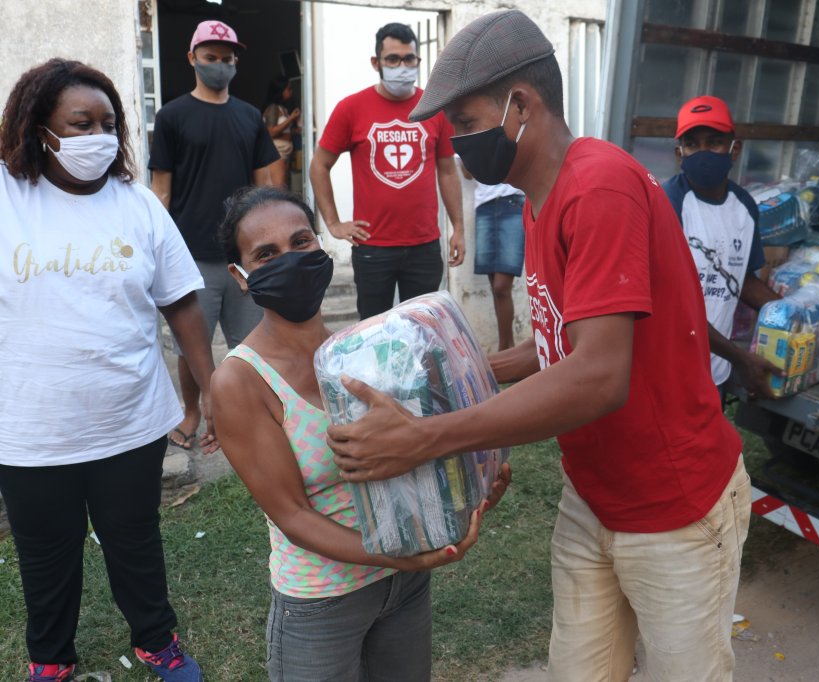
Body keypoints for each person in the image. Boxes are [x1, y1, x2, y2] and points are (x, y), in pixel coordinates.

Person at [325, 10, 750, 682]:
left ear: (520, 105)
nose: (458, 142)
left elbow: (597, 376)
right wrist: (451, 375)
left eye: (465, 123)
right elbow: (560, 339)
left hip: (674, 506)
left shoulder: (597, 187)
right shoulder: (539, 195)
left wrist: (430, 433)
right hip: (595, 494)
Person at [208, 186, 510, 681]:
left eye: (300, 242)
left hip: (403, 586)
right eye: (266, 255)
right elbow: (293, 516)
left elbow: (411, 463)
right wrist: (404, 553)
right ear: (241, 278)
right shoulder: (241, 381)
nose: (290, 259)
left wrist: (470, 490)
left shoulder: (359, 352)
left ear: (322, 249)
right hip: (322, 602)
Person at [0, 58, 212, 682]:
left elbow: (182, 301)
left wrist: (213, 386)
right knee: (46, 556)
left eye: (109, 123)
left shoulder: (138, 205)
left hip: (128, 418)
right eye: (80, 122)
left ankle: (155, 641)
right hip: (31, 427)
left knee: (135, 541)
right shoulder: (7, 195)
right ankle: (50, 659)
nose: (98, 135)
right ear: (40, 127)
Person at [149, 19, 280, 451]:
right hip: (190, 257)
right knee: (193, 347)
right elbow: (160, 191)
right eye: (211, 58)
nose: (220, 65)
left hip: (243, 257)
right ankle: (191, 413)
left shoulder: (248, 118)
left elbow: (263, 187)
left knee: (253, 344)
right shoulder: (171, 116)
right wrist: (155, 251)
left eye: (227, 59)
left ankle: (251, 414)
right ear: (192, 59)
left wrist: (269, 246)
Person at [309, 22, 465, 320]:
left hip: (424, 245)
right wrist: (333, 223)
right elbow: (319, 166)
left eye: (409, 59)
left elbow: (447, 170)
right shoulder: (351, 108)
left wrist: (458, 228)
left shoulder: (434, 108)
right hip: (373, 247)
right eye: (393, 59)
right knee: (373, 327)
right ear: (376, 62)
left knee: (423, 327)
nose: (402, 66)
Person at [662, 95, 782, 400]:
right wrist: (740, 358)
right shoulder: (667, 203)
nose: (703, 152)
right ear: (680, 153)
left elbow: (742, 280)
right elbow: (671, 302)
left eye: (714, 142)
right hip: (665, 369)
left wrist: (797, 316)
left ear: (734, 149)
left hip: (714, 369)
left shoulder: (744, 207)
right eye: (693, 144)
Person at [460, 162, 526, 351]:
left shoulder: (510, 131)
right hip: (485, 206)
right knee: (495, 287)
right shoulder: (473, 133)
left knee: (501, 286)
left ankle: (506, 349)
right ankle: (506, 346)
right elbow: (467, 173)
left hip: (513, 202)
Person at [262, 75, 301, 189]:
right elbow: (271, 132)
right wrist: (291, 118)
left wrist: (295, 130)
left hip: (285, 153)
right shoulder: (273, 108)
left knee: (285, 186)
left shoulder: (282, 108)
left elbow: (284, 130)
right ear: (280, 90)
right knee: (280, 188)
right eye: (288, 89)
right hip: (278, 152)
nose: (291, 91)